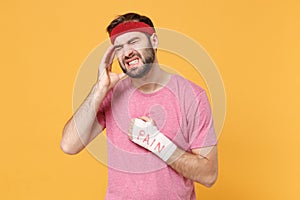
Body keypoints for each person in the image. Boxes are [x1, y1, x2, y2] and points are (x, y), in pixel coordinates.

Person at [61, 12, 218, 199]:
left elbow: (209, 175)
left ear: (154, 41)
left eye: (134, 41)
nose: (127, 53)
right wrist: (99, 88)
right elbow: (68, 145)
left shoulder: (191, 95)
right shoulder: (112, 94)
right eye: (119, 47)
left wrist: (156, 142)